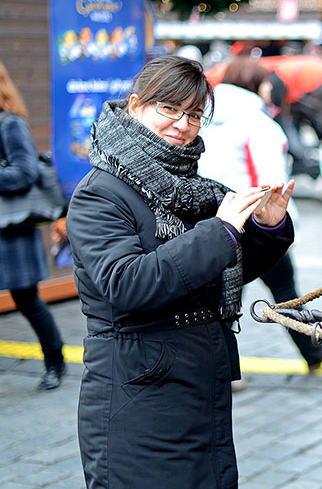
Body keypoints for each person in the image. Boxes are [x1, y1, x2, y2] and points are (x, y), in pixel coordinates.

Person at [66, 55, 295, 488]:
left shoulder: (188, 188)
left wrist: (267, 226)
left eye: (193, 114)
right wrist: (220, 231)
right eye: (168, 108)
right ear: (136, 106)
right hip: (137, 390)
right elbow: (126, 284)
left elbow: (215, 268)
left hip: (199, 381)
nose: (182, 124)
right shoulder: (99, 193)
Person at [198, 56, 322, 376]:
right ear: (258, 86)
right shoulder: (260, 125)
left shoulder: (204, 118)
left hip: (214, 221)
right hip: (255, 224)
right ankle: (309, 351)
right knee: (284, 293)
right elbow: (273, 184)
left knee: (223, 301)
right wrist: (283, 229)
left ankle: (227, 371)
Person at [0, 60, 66, 391]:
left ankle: (55, 361)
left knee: (27, 299)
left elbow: (25, 173)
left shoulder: (10, 123)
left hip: (9, 229)